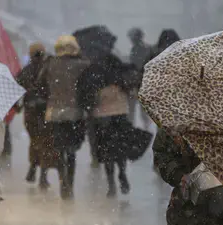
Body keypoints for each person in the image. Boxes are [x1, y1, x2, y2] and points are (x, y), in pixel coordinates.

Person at [78, 50, 137, 198]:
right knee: (120, 150)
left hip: (102, 119)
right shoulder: (122, 79)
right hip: (121, 116)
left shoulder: (95, 79)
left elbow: (90, 101)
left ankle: (111, 184)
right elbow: (132, 94)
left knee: (107, 152)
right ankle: (122, 173)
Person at [38, 36, 89, 199]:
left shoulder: (50, 64)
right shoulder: (83, 65)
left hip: (54, 113)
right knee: (72, 150)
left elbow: (40, 85)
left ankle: (63, 182)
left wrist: (51, 96)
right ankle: (70, 184)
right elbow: (89, 86)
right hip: (75, 113)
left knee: (59, 149)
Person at [17, 42, 50, 188]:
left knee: (35, 140)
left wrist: (17, 107)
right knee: (45, 141)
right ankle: (42, 175)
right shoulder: (49, 70)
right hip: (46, 110)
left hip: (30, 111)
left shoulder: (26, 71)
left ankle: (33, 168)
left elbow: (14, 89)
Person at [127, 28, 153, 127]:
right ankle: (147, 127)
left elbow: (136, 65)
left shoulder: (136, 49)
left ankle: (133, 127)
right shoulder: (148, 48)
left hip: (138, 81)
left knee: (133, 108)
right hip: (145, 82)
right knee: (144, 110)